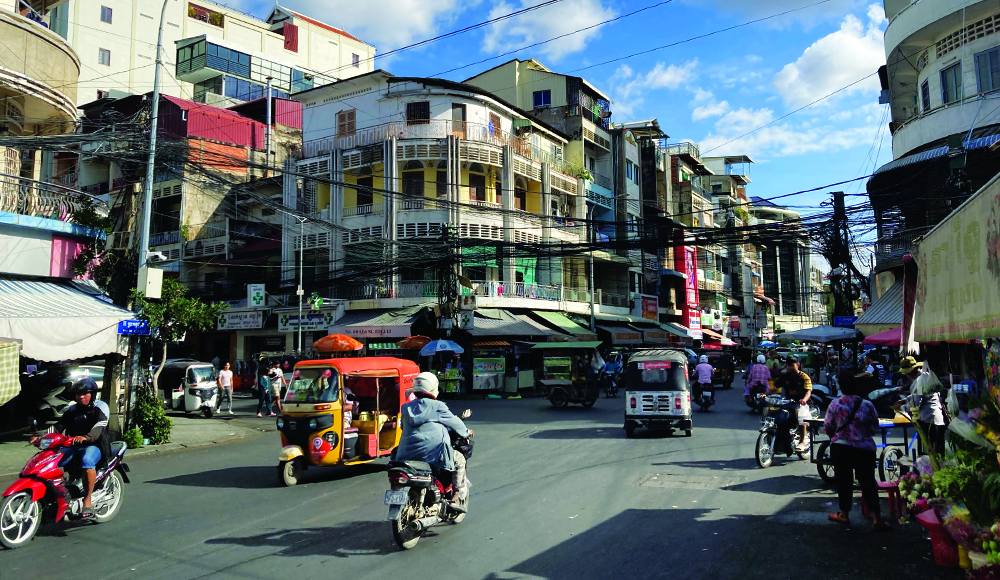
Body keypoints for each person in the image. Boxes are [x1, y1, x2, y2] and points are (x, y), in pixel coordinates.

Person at [30, 378, 110, 519]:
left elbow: (100, 426)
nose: (81, 396)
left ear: (93, 394)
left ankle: (88, 499)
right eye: (78, 394)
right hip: (73, 444)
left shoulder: (100, 407)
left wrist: (87, 436)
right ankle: (62, 490)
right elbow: (58, 426)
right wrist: (40, 436)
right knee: (54, 459)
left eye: (85, 393)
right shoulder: (72, 409)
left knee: (87, 460)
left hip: (95, 445)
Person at [395, 372, 472, 512]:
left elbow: (403, 426)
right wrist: (467, 432)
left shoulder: (406, 408)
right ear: (433, 388)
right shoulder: (438, 406)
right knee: (459, 459)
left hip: (406, 454)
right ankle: (455, 495)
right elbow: (456, 423)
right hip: (432, 453)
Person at [825, 372, 890, 532]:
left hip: (841, 447)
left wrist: (839, 436)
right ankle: (877, 519)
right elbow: (875, 426)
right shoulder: (867, 404)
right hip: (864, 448)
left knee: (844, 481)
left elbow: (828, 427)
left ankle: (844, 514)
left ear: (841, 387)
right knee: (868, 482)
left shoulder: (835, 404)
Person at [893, 356, 946, 455]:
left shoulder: (919, 381)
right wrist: (904, 401)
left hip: (928, 418)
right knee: (936, 448)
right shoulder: (924, 376)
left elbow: (916, 404)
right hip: (936, 417)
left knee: (931, 450)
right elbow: (916, 395)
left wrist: (902, 408)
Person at [771, 355, 813, 452]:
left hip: (803, 403)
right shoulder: (785, 376)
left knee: (800, 415)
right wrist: (765, 394)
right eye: (787, 365)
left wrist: (804, 400)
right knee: (779, 415)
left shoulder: (804, 377)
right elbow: (774, 387)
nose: (789, 367)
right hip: (788, 402)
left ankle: (802, 441)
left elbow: (808, 391)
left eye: (791, 365)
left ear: (797, 365)